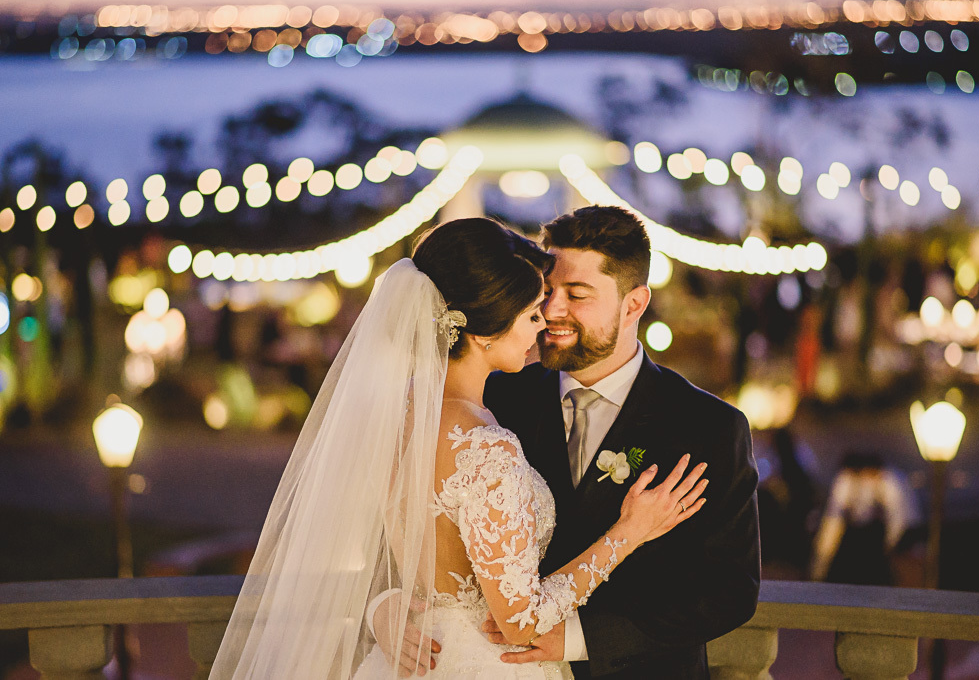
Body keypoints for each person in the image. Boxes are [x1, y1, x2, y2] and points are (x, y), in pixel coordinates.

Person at [209, 217, 708, 679]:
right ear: (485, 330)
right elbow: (520, 621)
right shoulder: (487, 447)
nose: (542, 324)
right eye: (531, 312)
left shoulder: (394, 417)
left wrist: (385, 601)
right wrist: (627, 533)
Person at [480, 206, 761, 679]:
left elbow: (729, 591)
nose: (551, 311)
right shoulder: (496, 398)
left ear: (634, 304)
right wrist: (386, 604)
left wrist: (581, 638)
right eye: (546, 291)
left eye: (577, 294)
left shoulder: (709, 426)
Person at [809, 450, 919, 585]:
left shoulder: (890, 481)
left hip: (878, 552)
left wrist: (891, 547)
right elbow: (833, 522)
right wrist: (820, 564)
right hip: (851, 551)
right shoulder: (846, 479)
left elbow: (899, 520)